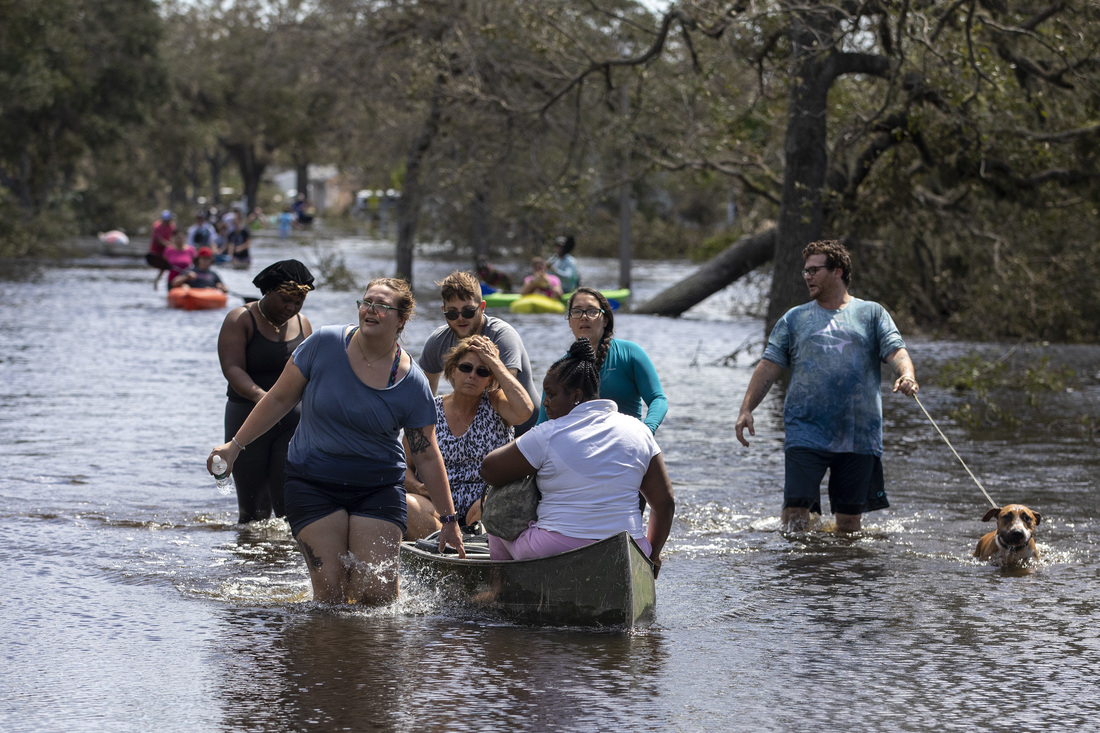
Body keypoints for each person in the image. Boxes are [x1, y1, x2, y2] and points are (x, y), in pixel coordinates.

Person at [208, 277, 465, 605]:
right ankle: (330, 652)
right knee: (330, 595)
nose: (370, 310)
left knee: (378, 598)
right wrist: (234, 446)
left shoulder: (411, 382)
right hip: (313, 482)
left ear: (401, 319)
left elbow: (426, 453)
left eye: (382, 306)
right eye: (366, 302)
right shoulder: (324, 344)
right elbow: (278, 399)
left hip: (377, 487)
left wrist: (449, 520)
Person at [734, 239, 919, 533]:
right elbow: (769, 364)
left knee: (848, 525)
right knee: (795, 516)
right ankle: (799, 575)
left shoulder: (871, 314)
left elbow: (896, 351)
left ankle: (840, 573)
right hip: (806, 431)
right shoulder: (794, 319)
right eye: (805, 271)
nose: (807, 276)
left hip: (859, 434)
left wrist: (906, 374)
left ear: (838, 271)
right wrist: (746, 409)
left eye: (814, 270)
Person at [480, 338, 675, 574]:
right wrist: (651, 555)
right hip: (629, 549)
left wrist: (531, 452)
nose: (545, 403)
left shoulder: (548, 434)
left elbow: (489, 469)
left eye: (551, 395)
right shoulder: (639, 430)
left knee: (497, 512)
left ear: (577, 395)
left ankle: (499, 586)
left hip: (554, 548)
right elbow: (664, 503)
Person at [403, 336, 533, 539]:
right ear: (453, 370)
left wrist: (496, 364)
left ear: (490, 379)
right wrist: (418, 487)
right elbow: (404, 465)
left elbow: (525, 411)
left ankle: (471, 545)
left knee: (502, 503)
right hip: (436, 506)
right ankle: (443, 548)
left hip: (483, 506)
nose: (472, 375)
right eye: (466, 368)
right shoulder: (428, 409)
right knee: (406, 504)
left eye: (482, 372)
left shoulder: (496, 403)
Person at [217, 259, 315, 523]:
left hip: (292, 424)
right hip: (247, 419)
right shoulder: (240, 319)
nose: (291, 308)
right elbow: (233, 369)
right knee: (254, 514)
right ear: (268, 291)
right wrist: (267, 401)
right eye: (285, 300)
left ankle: (283, 562)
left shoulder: (303, 324)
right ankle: (250, 562)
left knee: (290, 508)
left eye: (298, 302)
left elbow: (310, 374)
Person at [418, 270, 539, 435]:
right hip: (477, 429)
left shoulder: (502, 336)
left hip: (525, 427)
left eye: (468, 311)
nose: (460, 318)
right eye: (452, 313)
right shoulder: (438, 341)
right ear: (443, 310)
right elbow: (424, 396)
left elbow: (499, 394)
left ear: (482, 307)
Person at [536, 287, 667, 434]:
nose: (584, 317)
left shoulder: (630, 353)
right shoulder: (559, 370)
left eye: (592, 311)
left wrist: (647, 430)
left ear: (605, 320)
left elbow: (658, 399)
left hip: (627, 445)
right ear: (570, 321)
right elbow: (542, 423)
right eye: (577, 311)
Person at [148, 210, 176, 289]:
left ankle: (158, 282)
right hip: (157, 252)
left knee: (165, 268)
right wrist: (171, 245)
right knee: (163, 267)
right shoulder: (157, 226)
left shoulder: (172, 226)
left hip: (167, 252)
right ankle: (156, 283)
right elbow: (158, 240)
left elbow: (174, 236)